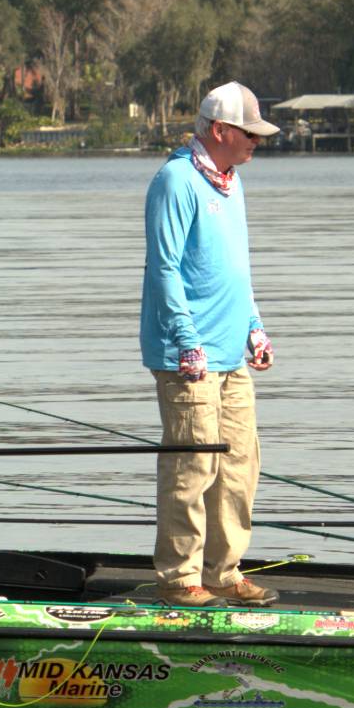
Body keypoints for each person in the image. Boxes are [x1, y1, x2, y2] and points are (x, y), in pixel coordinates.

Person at [141, 81, 281, 609]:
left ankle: (223, 572)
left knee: (240, 463)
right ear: (219, 130)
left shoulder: (231, 181)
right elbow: (165, 268)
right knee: (192, 467)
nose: (256, 143)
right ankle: (180, 578)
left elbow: (236, 270)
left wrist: (254, 326)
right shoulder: (176, 180)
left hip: (230, 352)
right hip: (188, 357)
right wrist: (186, 340)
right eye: (249, 134)